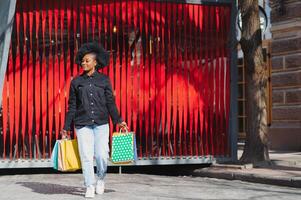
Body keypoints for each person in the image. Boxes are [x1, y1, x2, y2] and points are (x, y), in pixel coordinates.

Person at [61, 42, 127, 198]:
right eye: (82, 61)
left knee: (102, 155)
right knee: (86, 155)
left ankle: (101, 179)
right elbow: (72, 106)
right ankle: (89, 185)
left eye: (87, 61)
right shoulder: (76, 82)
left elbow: (110, 102)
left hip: (101, 123)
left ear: (95, 62)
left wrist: (118, 120)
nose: (83, 63)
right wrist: (66, 127)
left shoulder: (104, 80)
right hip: (82, 123)